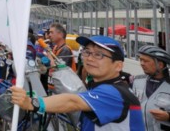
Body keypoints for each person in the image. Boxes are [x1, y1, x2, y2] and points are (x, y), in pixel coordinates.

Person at [11, 35, 144, 130]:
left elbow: (72, 101)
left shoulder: (115, 93)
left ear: (118, 66)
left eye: (99, 55)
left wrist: (32, 103)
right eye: (87, 52)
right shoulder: (102, 86)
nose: (90, 58)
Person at [133, 45, 170, 130]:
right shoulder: (137, 81)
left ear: (160, 65)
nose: (141, 63)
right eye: (140, 60)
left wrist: (168, 117)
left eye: (146, 61)